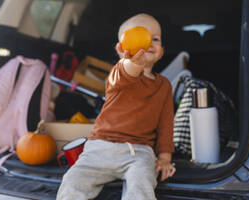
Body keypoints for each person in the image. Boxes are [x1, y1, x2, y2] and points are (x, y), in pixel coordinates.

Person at [56, 13, 176, 200]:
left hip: (139, 151)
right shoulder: (118, 73)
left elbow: (166, 123)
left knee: (142, 181)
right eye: (140, 35)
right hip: (101, 147)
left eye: (155, 39)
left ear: (161, 51)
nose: (148, 42)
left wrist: (165, 158)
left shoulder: (164, 86)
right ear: (121, 50)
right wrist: (130, 62)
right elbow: (127, 72)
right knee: (73, 181)